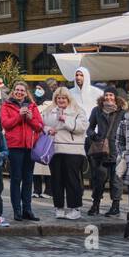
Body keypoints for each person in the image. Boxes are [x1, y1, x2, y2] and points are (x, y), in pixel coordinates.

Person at [0, 81, 43, 222]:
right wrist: (19, 115)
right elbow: (6, 124)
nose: (19, 92)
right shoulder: (6, 106)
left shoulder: (32, 106)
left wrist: (30, 118)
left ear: (26, 93)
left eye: (22, 90)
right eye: (17, 90)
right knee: (16, 178)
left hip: (29, 146)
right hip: (15, 146)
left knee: (28, 179)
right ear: (13, 91)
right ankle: (17, 210)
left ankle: (27, 209)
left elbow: (39, 126)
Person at [42, 86, 88, 220]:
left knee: (72, 180)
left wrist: (66, 120)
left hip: (73, 150)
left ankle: (75, 208)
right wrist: (48, 129)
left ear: (69, 99)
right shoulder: (49, 111)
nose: (61, 100)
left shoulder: (78, 111)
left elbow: (82, 127)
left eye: (63, 98)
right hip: (55, 150)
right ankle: (59, 207)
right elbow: (41, 124)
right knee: (56, 180)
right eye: (58, 98)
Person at [86, 86, 124, 217]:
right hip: (101, 151)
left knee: (116, 180)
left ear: (115, 97)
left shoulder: (122, 113)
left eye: (111, 95)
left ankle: (115, 206)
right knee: (99, 179)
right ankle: (95, 205)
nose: (108, 97)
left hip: (117, 151)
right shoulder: (96, 110)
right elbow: (89, 128)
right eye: (106, 95)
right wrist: (95, 136)